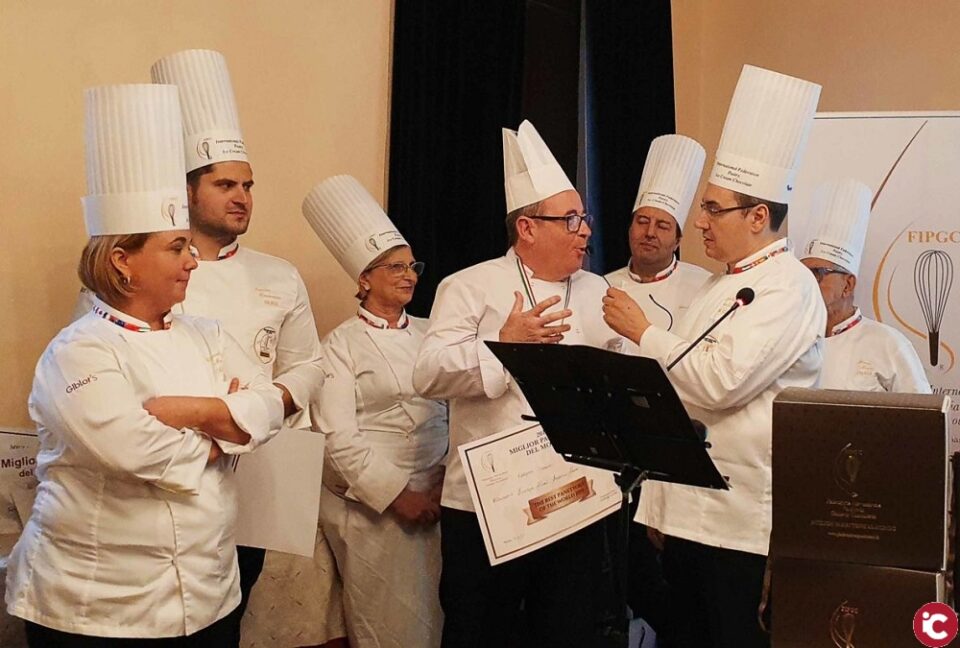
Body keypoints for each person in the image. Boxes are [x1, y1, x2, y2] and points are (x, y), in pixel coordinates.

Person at [4, 84, 284, 647]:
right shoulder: (77, 351)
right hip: (96, 606)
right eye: (176, 248)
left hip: (208, 594)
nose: (191, 263)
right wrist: (226, 428)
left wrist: (187, 411)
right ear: (122, 261)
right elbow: (135, 449)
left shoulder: (205, 334)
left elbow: (270, 404)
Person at [602, 65, 827, 648]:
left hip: (739, 521)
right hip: (690, 513)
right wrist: (662, 506)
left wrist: (644, 330)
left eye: (713, 209)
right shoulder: (719, 285)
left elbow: (720, 383)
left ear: (758, 217)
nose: (698, 221)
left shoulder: (788, 287)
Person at [147, 49, 338, 642]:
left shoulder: (279, 275)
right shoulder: (141, 271)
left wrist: (269, 402)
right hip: (162, 476)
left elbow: (309, 364)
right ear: (187, 188)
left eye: (248, 186)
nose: (242, 197)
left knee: (227, 615)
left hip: (253, 474)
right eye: (225, 184)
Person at [413, 120, 624, 648]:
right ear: (527, 228)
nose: (585, 231)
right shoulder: (468, 285)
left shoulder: (599, 292)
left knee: (567, 631)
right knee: (479, 631)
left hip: (574, 496)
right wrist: (504, 347)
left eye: (585, 218)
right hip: (486, 502)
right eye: (570, 219)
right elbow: (428, 373)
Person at [302, 175, 448, 648]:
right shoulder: (338, 346)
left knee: (441, 617)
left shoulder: (433, 333)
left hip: (442, 497)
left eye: (412, 266)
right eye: (394, 268)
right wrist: (399, 495)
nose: (409, 275)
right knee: (387, 625)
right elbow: (338, 437)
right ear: (364, 279)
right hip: (374, 509)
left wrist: (446, 479)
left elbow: (456, 410)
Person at [800, 179, 931, 393]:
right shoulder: (792, 342)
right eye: (804, 273)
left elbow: (922, 416)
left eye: (818, 273)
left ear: (848, 285)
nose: (808, 282)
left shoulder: (889, 344)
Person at [606, 134, 711, 330]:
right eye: (642, 221)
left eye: (662, 226)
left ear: (677, 240)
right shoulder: (603, 286)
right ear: (630, 229)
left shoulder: (705, 286)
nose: (650, 232)